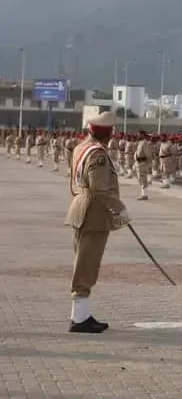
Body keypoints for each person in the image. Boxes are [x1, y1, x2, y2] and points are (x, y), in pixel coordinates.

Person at [64, 111, 128, 333]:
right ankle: (79, 319)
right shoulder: (97, 154)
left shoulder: (81, 147)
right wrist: (120, 209)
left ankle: (81, 314)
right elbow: (99, 187)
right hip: (93, 213)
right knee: (87, 264)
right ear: (107, 133)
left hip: (81, 208)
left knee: (83, 262)